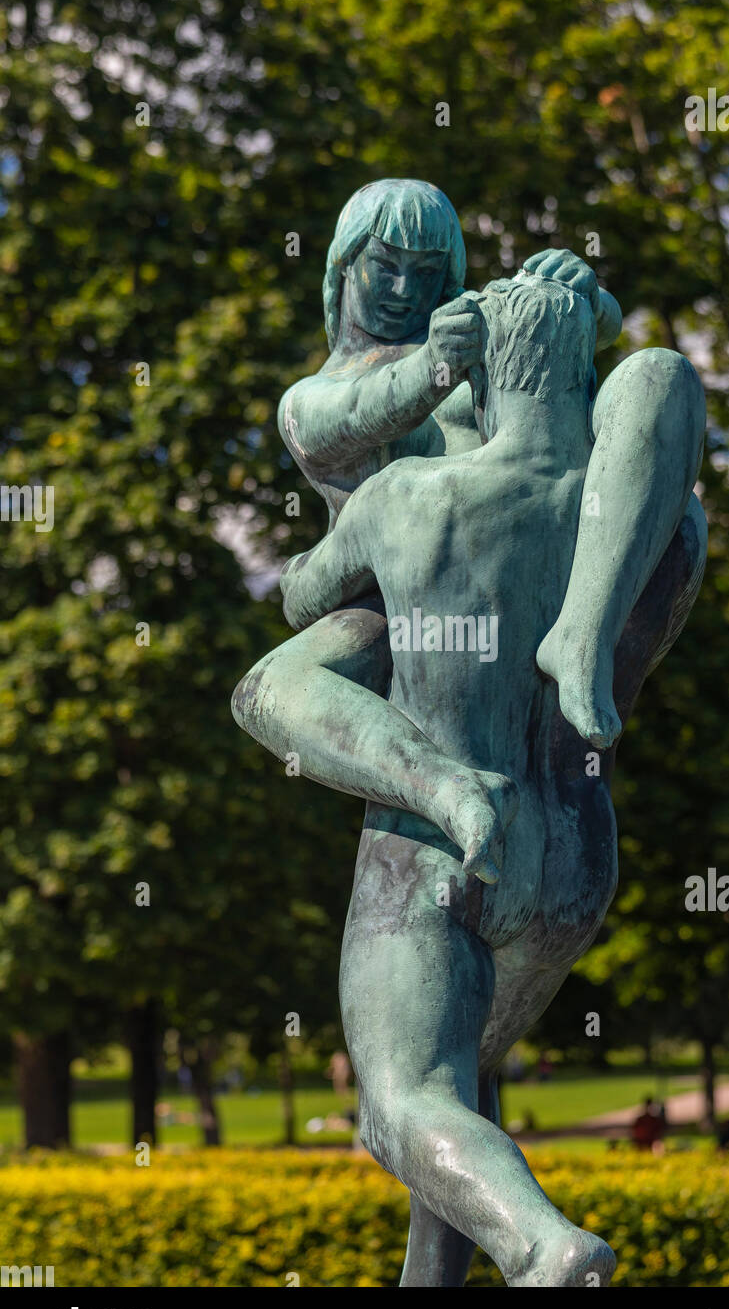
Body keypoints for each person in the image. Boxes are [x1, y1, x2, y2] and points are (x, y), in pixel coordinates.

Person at [280, 274, 704, 1286]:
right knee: (468, 1081)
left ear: (484, 379)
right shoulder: (659, 534)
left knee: (407, 1099)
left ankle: (542, 1246)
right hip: (572, 857)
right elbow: (651, 406)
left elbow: (297, 596)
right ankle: (578, 646)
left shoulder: (407, 498)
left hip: (441, 847)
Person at [232, 178, 704, 883]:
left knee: (658, 382)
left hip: (534, 553)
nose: (401, 288)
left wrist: (584, 299)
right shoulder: (311, 396)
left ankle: (582, 637)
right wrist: (433, 363)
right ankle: (442, 787)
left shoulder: (469, 335)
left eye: (426, 274)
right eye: (382, 266)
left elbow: (560, 342)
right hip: (392, 600)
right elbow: (351, 421)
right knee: (267, 689)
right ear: (341, 267)